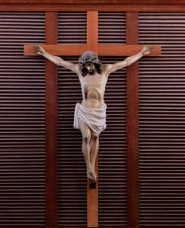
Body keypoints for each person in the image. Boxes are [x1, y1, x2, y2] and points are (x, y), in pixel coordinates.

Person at [35, 45, 154, 188]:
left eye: (90, 64)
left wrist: (141, 53)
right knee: (86, 137)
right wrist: (44, 53)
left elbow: (126, 62)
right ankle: (89, 168)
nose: (88, 68)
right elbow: (61, 62)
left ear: (95, 62)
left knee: (95, 137)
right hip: (85, 110)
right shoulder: (80, 71)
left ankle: (92, 168)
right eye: (86, 65)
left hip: (98, 112)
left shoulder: (105, 70)